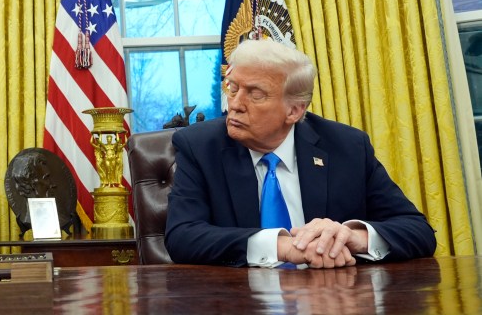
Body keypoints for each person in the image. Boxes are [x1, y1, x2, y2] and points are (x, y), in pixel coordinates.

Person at [164, 39, 436, 269]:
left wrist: (351, 237)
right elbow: (182, 237)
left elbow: (418, 231)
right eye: (232, 88)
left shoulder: (347, 147)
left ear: (294, 111)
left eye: (255, 94)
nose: (234, 104)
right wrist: (283, 247)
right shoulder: (199, 146)